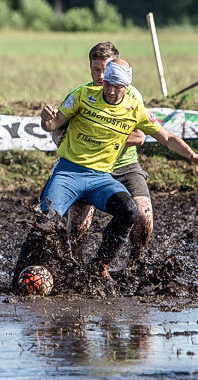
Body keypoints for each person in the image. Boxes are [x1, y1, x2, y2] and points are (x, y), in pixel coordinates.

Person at [39, 58, 198, 280]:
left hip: (102, 176)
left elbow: (165, 137)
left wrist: (191, 154)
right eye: (107, 84)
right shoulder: (82, 94)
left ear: (126, 86)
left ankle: (100, 265)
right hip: (70, 171)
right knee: (46, 220)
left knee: (131, 212)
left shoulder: (134, 106)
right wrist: (46, 121)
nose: (110, 91)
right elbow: (53, 125)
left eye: (117, 86)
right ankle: (31, 272)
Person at [51, 42, 154, 265]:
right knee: (78, 226)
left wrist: (106, 137)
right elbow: (57, 126)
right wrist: (57, 136)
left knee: (143, 216)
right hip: (88, 167)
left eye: (105, 69)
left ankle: (133, 265)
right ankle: (75, 267)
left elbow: (140, 136)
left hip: (125, 166)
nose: (100, 76)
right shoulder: (82, 94)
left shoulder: (131, 95)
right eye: (95, 69)